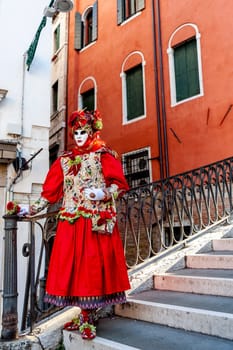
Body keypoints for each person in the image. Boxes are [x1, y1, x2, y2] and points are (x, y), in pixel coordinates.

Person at [29, 109, 131, 340]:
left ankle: (88, 317)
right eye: (76, 132)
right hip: (71, 223)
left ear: (93, 131)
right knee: (73, 270)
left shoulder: (104, 155)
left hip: (94, 223)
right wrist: (31, 209)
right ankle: (84, 314)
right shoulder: (64, 160)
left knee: (91, 270)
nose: (79, 136)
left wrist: (101, 193)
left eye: (83, 131)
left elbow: (120, 186)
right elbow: (49, 194)